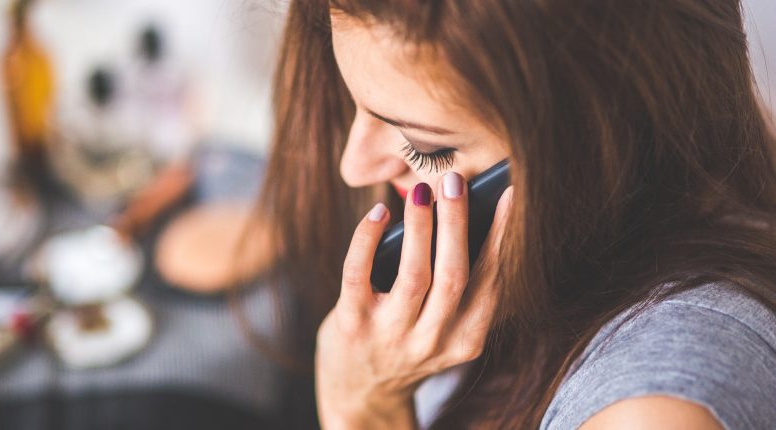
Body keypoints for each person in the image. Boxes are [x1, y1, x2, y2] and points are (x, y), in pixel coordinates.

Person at [235, 0, 776, 428]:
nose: (354, 166)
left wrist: (364, 409)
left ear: (599, 148)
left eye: (425, 148)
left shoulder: (653, 415)